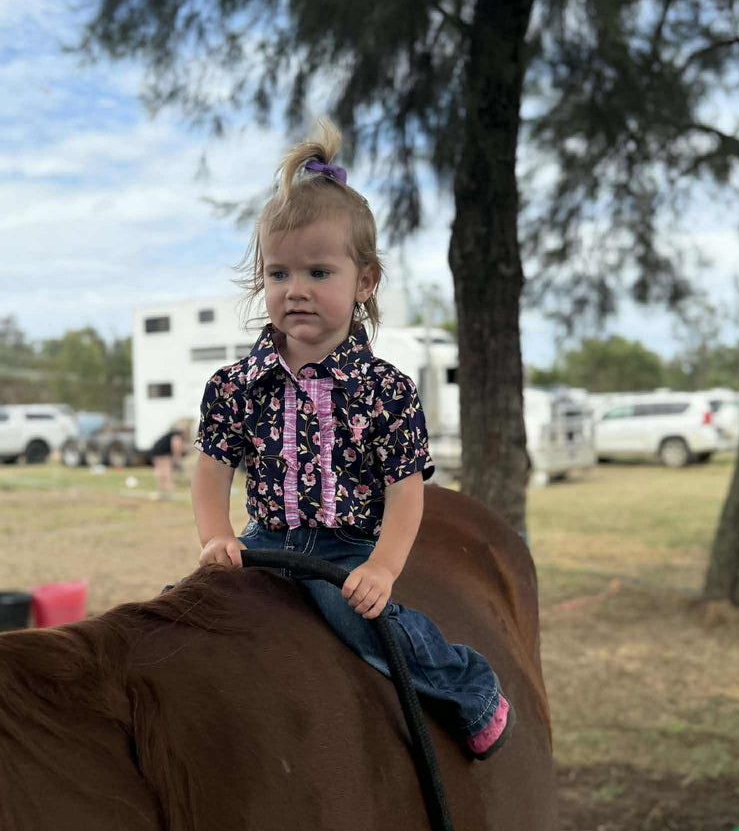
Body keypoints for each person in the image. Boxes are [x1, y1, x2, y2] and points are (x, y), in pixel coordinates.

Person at [190, 119, 512, 759]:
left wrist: (383, 566)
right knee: (191, 606)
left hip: (345, 546)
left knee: (357, 620)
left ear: (364, 282)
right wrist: (217, 537)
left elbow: (406, 492)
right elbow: (211, 468)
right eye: (278, 273)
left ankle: (469, 686)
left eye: (318, 271)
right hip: (267, 539)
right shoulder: (235, 385)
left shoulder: (386, 390)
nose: (296, 289)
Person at [150, 427, 185, 499]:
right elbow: (176, 445)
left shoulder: (169, 435)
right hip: (163, 453)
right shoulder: (176, 435)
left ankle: (161, 492)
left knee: (160, 471)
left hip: (156, 453)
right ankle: (169, 492)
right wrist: (177, 458)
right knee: (166, 472)